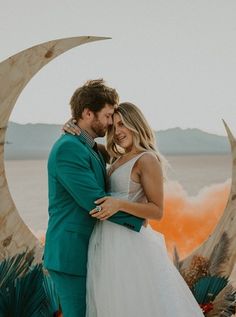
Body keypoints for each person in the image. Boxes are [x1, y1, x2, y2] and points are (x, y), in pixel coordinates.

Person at [65, 102, 205, 316]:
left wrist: (119, 203)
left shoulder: (147, 159)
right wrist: (72, 128)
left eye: (123, 124)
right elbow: (89, 145)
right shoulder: (118, 158)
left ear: (136, 124)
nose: (118, 131)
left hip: (129, 245)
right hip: (106, 243)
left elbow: (157, 210)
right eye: (113, 126)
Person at [43, 80, 144, 317]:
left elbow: (123, 161)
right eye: (108, 116)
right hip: (71, 253)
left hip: (89, 249)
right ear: (88, 113)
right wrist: (140, 221)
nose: (111, 123)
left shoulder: (89, 147)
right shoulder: (69, 148)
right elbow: (96, 202)